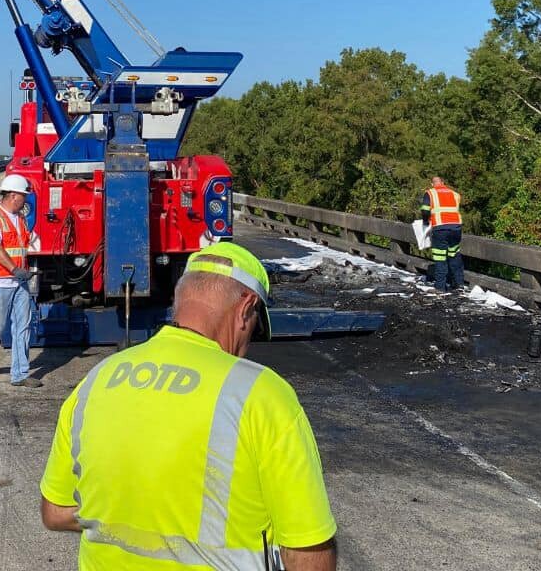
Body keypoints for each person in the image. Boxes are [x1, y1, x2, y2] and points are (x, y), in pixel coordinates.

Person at [39, 241, 338, 570]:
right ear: (246, 307)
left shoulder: (98, 378)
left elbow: (55, 512)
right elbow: (308, 552)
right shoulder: (263, 395)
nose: (248, 344)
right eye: (256, 327)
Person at [0, 173, 41, 387]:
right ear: (13, 195)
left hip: (18, 282)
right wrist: (15, 269)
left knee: (23, 326)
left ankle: (20, 374)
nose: (25, 199)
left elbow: (24, 244)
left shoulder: (19, 217)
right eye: (23, 195)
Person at [420, 175, 463, 292]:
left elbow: (425, 210)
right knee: (454, 255)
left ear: (432, 184)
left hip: (440, 228)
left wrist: (425, 222)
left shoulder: (430, 193)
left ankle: (440, 287)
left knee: (440, 257)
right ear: (443, 182)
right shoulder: (455, 194)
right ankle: (458, 283)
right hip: (456, 228)